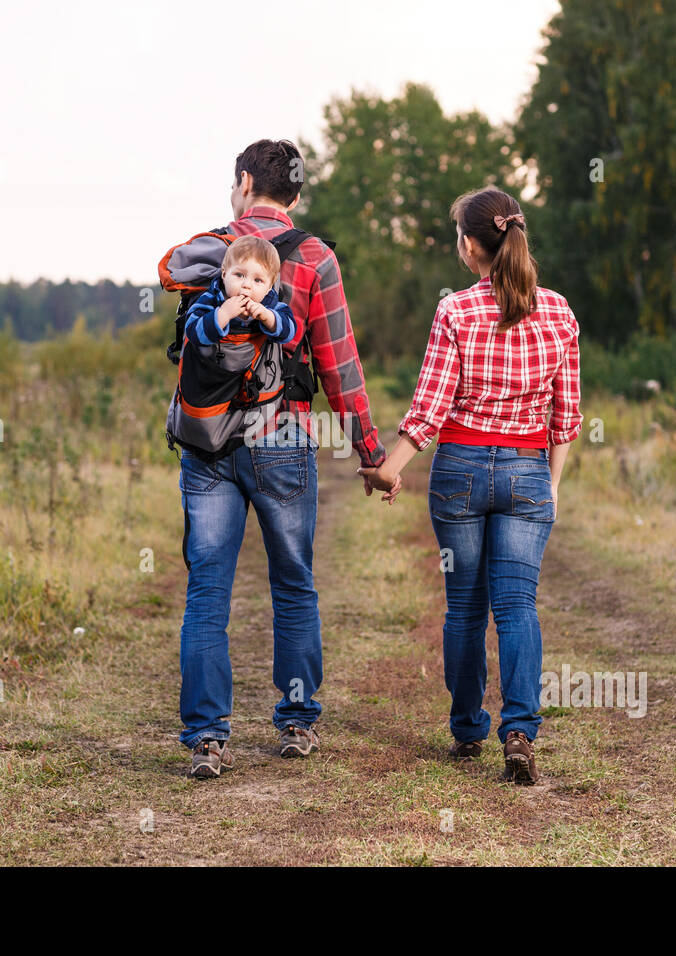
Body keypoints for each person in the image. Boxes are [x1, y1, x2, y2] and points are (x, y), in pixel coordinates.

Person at [178, 139, 392, 779]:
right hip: (282, 436)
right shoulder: (316, 258)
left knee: (207, 587)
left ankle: (208, 736)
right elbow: (339, 366)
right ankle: (296, 722)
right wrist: (371, 453)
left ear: (244, 182)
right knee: (294, 581)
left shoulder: (207, 251)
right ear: (295, 196)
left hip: (208, 438)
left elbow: (192, 347)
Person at [358, 185, 582, 785]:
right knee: (517, 606)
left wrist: (391, 466)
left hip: (459, 470)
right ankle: (519, 731)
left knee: (464, 606)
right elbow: (567, 417)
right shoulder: (559, 311)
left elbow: (428, 410)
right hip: (527, 471)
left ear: (468, 246)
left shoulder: (455, 310)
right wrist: (551, 484)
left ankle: (465, 727)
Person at [182, 235, 296, 347]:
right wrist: (223, 314)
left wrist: (268, 317)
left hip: (255, 364)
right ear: (224, 274)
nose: (247, 285)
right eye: (239, 275)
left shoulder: (271, 305)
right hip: (210, 363)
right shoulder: (210, 300)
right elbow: (192, 333)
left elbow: (290, 333)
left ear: (269, 287)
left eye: (258, 280)